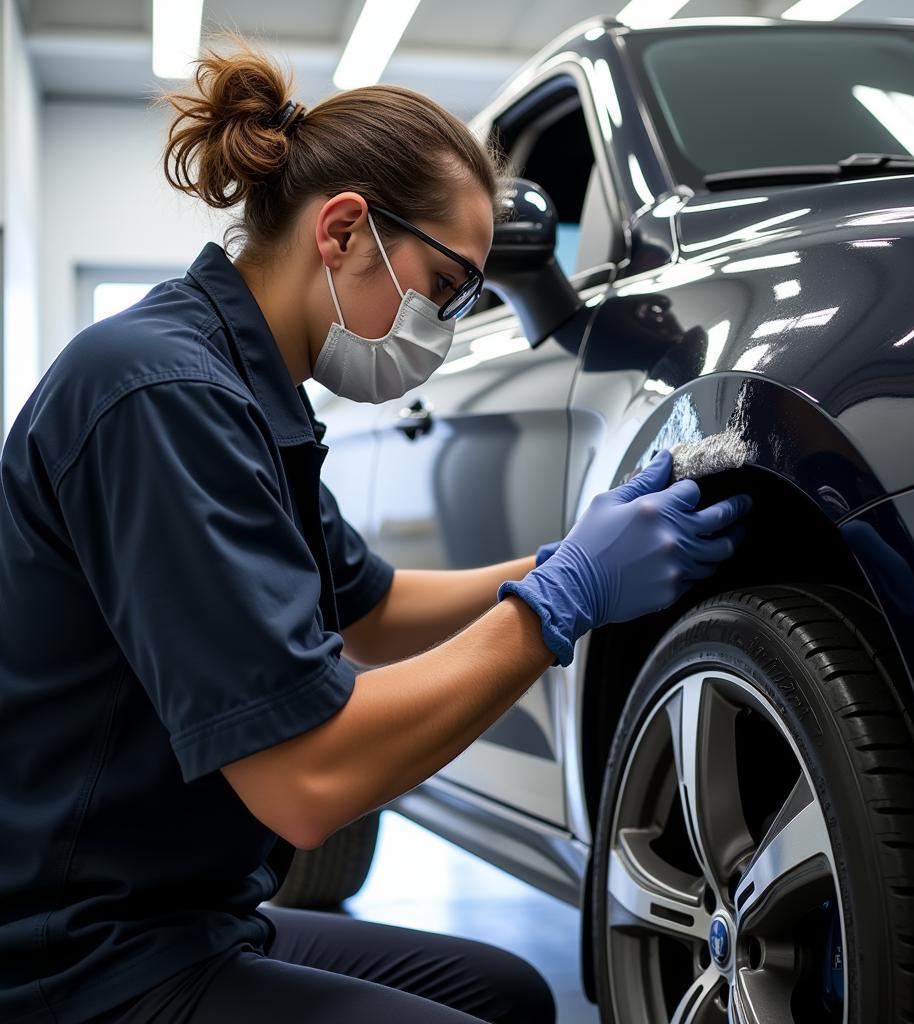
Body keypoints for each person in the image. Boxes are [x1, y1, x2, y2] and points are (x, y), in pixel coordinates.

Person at [0, 34, 752, 1024]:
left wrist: (568, 556)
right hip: (76, 957)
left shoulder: (245, 390)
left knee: (511, 994)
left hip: (187, 913)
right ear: (344, 228)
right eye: (446, 290)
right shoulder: (162, 394)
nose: (442, 331)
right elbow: (307, 783)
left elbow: (376, 609)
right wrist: (556, 606)